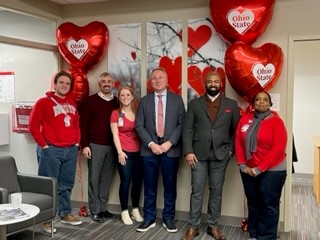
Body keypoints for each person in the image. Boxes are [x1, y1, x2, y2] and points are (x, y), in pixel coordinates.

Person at [182, 71, 240, 240]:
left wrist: (230, 151)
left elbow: (235, 131)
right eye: (210, 81)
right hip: (197, 155)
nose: (213, 84)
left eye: (216, 81)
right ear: (205, 84)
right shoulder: (195, 104)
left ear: (220, 84)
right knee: (197, 191)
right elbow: (187, 129)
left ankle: (213, 226)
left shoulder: (232, 104)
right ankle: (193, 226)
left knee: (216, 191)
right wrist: (188, 151)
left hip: (221, 155)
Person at [29, 70, 82, 234]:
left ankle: (65, 213)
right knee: (48, 186)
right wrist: (44, 146)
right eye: (62, 82)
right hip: (51, 150)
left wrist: (77, 144)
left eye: (67, 83)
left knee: (66, 185)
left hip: (70, 150)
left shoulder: (72, 103)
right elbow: (32, 126)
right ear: (55, 84)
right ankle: (46, 221)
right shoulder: (43, 102)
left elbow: (76, 125)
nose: (64, 86)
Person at [135, 67, 185, 233]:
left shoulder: (177, 100)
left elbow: (182, 124)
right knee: (149, 186)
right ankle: (149, 218)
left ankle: (168, 218)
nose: (157, 80)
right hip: (149, 151)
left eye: (160, 77)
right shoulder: (144, 101)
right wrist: (151, 144)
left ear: (167, 80)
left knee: (170, 186)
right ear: (151, 81)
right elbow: (139, 125)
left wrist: (169, 143)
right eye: (154, 78)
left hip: (170, 150)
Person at [235, 91, 287, 240]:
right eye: (258, 99)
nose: (261, 102)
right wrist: (242, 164)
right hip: (249, 170)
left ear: (270, 103)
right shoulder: (245, 120)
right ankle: (254, 234)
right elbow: (238, 142)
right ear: (253, 103)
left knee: (268, 205)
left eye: (265, 100)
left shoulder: (276, 121)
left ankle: (267, 236)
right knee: (253, 203)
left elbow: (278, 148)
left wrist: (260, 168)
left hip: (273, 170)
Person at [80, 72, 119, 223]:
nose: (107, 84)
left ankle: (103, 209)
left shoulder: (116, 102)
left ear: (113, 84)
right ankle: (94, 210)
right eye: (104, 81)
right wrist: (84, 145)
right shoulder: (90, 101)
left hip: (112, 147)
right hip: (95, 145)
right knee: (94, 179)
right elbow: (82, 125)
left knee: (106, 179)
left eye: (109, 81)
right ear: (99, 84)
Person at [110, 85, 144, 225]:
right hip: (124, 153)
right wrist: (120, 152)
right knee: (125, 181)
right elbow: (115, 134)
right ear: (119, 97)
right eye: (122, 95)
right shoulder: (115, 113)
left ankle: (135, 209)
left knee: (137, 182)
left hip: (139, 152)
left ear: (132, 96)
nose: (125, 98)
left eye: (128, 95)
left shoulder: (138, 112)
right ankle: (124, 211)